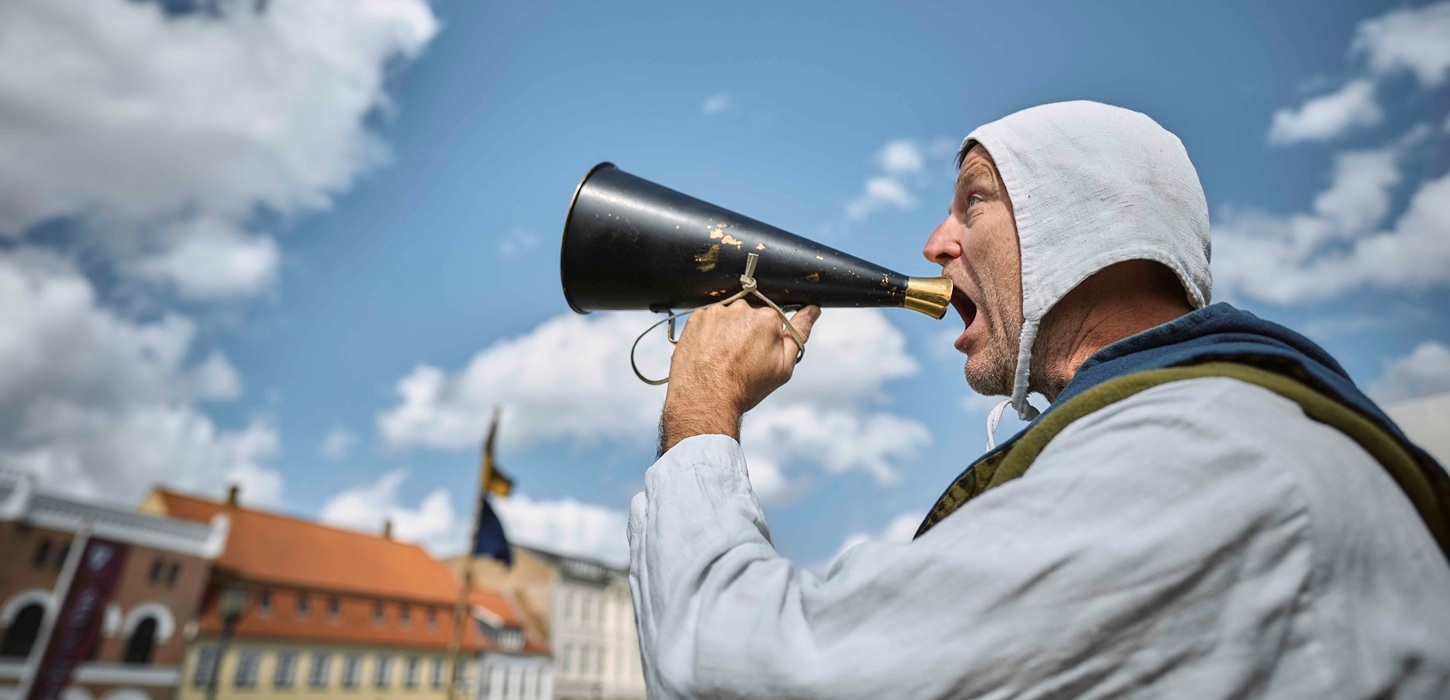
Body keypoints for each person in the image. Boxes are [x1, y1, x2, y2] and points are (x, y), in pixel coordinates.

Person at [628, 101, 1450, 698]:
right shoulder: (1218, 429)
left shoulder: (1198, 450)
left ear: (1088, 224)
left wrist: (704, 409)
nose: (935, 243)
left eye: (974, 199)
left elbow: (739, 669)